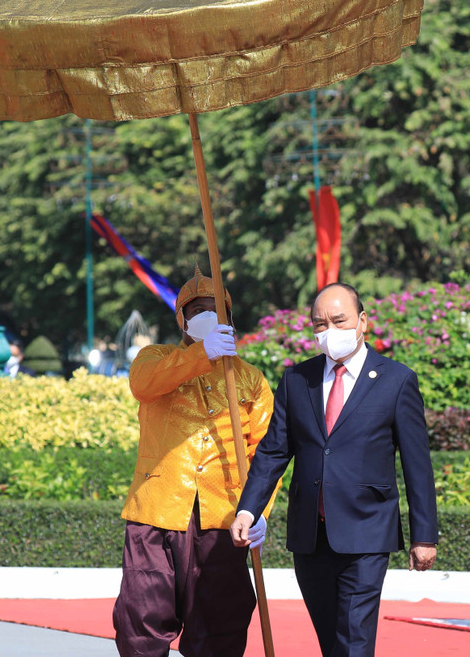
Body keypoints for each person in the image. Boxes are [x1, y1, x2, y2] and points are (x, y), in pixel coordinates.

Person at [230, 282, 438, 657]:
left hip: (367, 531)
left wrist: (425, 535)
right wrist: (248, 508)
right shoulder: (298, 380)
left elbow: (417, 464)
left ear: (362, 321)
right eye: (319, 324)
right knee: (332, 640)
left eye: (338, 320)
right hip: (310, 535)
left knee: (355, 639)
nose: (329, 331)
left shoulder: (396, 380)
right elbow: (274, 451)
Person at [112, 267, 278, 657]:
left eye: (215, 309)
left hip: (224, 518)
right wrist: (202, 355)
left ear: (229, 318)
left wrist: (260, 510)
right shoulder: (156, 358)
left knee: (220, 624)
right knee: (141, 620)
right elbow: (143, 385)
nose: (206, 315)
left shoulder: (251, 380)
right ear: (181, 318)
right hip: (157, 510)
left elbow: (265, 455)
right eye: (197, 309)